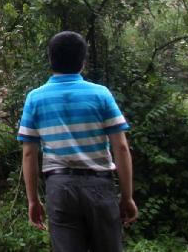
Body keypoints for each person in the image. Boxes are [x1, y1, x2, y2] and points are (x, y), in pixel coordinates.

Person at [17, 31, 137, 252]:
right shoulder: (101, 94)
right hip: (100, 185)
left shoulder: (35, 98)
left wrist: (33, 200)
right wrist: (127, 196)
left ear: (50, 59)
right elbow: (120, 146)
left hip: (60, 188)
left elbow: (29, 153)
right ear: (83, 61)